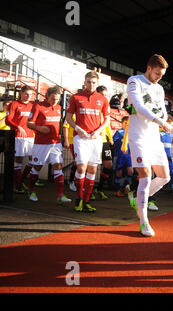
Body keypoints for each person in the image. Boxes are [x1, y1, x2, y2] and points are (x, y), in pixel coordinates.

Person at [126, 54, 172, 236]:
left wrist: (164, 120)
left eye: (162, 74)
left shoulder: (159, 89)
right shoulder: (134, 81)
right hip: (138, 137)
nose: (159, 77)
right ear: (149, 67)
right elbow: (137, 107)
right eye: (157, 73)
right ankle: (144, 221)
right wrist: (161, 122)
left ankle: (136, 198)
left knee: (164, 177)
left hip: (154, 137)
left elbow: (163, 111)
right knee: (145, 175)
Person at [65, 71, 111, 213]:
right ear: (84, 82)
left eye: (94, 82)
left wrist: (98, 132)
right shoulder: (76, 97)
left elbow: (107, 120)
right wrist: (78, 129)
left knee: (92, 170)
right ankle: (79, 199)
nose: (91, 84)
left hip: (96, 139)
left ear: (97, 84)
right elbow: (68, 118)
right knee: (81, 168)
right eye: (89, 82)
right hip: (81, 139)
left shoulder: (102, 99)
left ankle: (86, 201)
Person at [26, 86, 71, 204]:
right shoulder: (38, 106)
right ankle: (31, 191)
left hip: (55, 143)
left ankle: (60, 195)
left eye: (57, 99)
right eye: (52, 99)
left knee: (58, 166)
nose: (55, 101)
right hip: (41, 144)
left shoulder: (59, 107)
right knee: (37, 167)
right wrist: (39, 128)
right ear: (47, 96)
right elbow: (29, 124)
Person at [5, 86, 35, 194]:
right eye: (26, 94)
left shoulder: (33, 105)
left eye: (30, 94)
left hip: (31, 136)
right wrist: (18, 126)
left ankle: (20, 180)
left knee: (33, 160)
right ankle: (17, 186)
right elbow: (8, 120)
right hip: (18, 137)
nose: (28, 96)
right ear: (21, 93)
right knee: (18, 161)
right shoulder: (14, 104)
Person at [94, 85, 114, 200]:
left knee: (108, 165)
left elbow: (107, 124)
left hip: (104, 140)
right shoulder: (94, 106)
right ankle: (88, 190)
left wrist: (110, 138)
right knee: (92, 166)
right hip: (94, 139)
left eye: (106, 95)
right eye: (102, 95)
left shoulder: (106, 107)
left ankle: (99, 188)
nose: (104, 97)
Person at [112, 115, 133, 197]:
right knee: (119, 173)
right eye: (125, 123)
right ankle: (117, 191)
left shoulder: (131, 133)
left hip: (128, 157)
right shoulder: (119, 132)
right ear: (122, 123)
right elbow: (112, 142)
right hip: (119, 156)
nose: (127, 124)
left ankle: (124, 187)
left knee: (131, 171)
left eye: (128, 123)